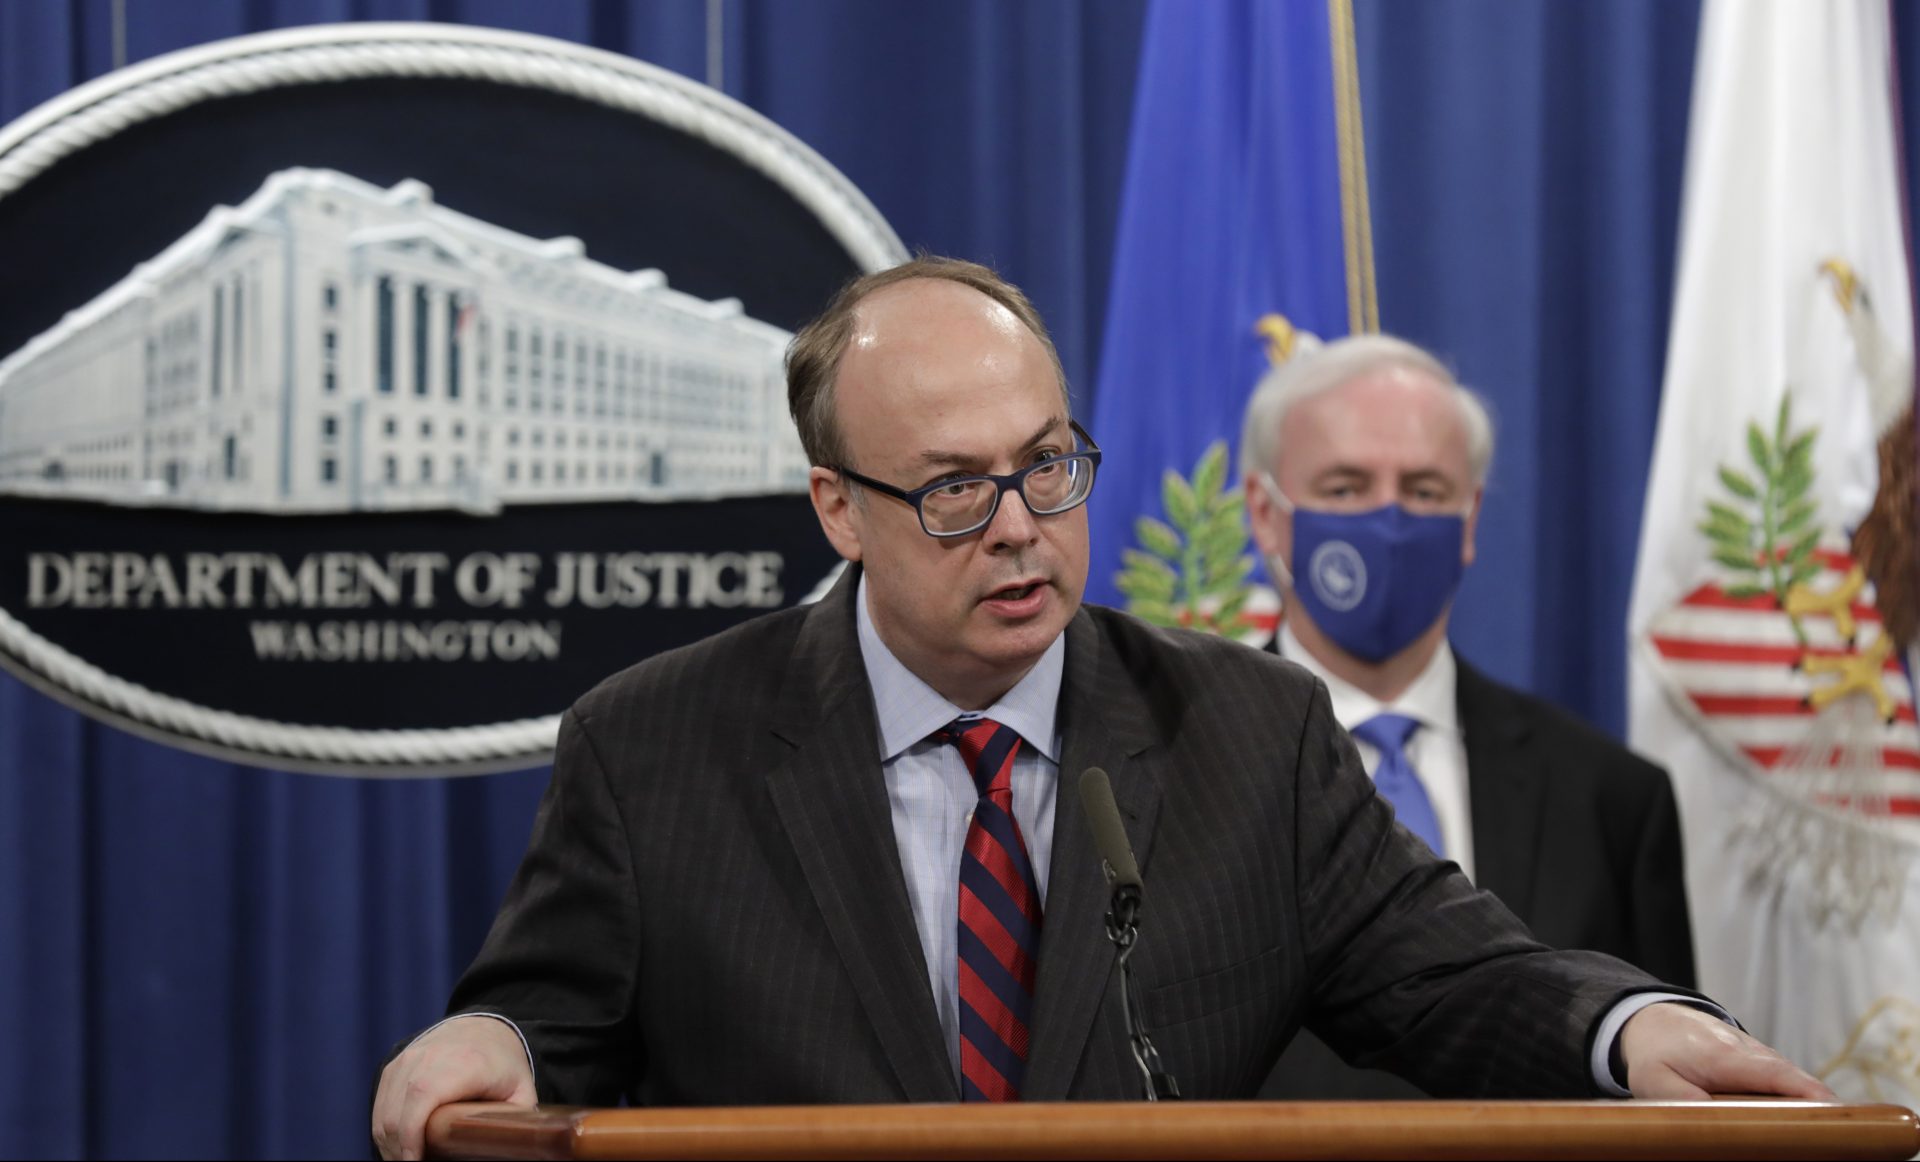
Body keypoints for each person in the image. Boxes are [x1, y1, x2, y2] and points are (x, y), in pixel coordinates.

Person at [372, 257, 1826, 1161]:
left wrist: (1625, 1028)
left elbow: (1449, 975)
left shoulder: (1247, 730)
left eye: (1050, 464)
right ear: (839, 508)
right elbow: (552, 1014)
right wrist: (493, 1035)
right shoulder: (658, 743)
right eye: (954, 488)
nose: (1020, 527)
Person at [1240, 333, 1697, 1099]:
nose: (1389, 522)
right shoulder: (1171, 768)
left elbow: (1664, 1094)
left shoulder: (1612, 797)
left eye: (1422, 490)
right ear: (1267, 513)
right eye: (1347, 487)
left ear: (1471, 516)